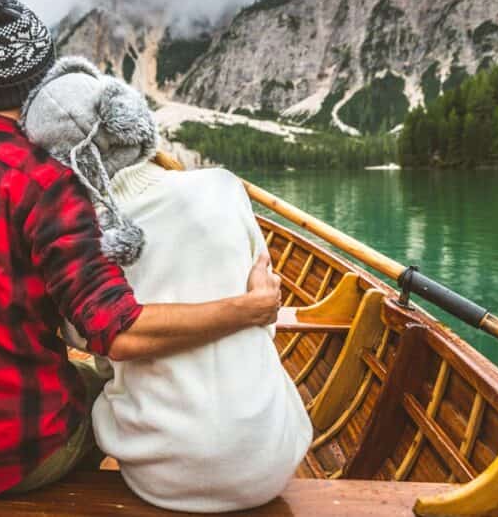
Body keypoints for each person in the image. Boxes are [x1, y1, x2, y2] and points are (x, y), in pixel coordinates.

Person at [0, 0, 284, 499]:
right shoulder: (47, 184)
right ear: (40, 82)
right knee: (108, 393)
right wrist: (250, 308)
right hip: (18, 455)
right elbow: (120, 334)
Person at [22, 56, 313, 512]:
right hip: (271, 462)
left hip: (161, 477)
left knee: (92, 389)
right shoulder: (224, 187)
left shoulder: (84, 242)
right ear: (131, 121)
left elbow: (91, 344)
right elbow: (266, 314)